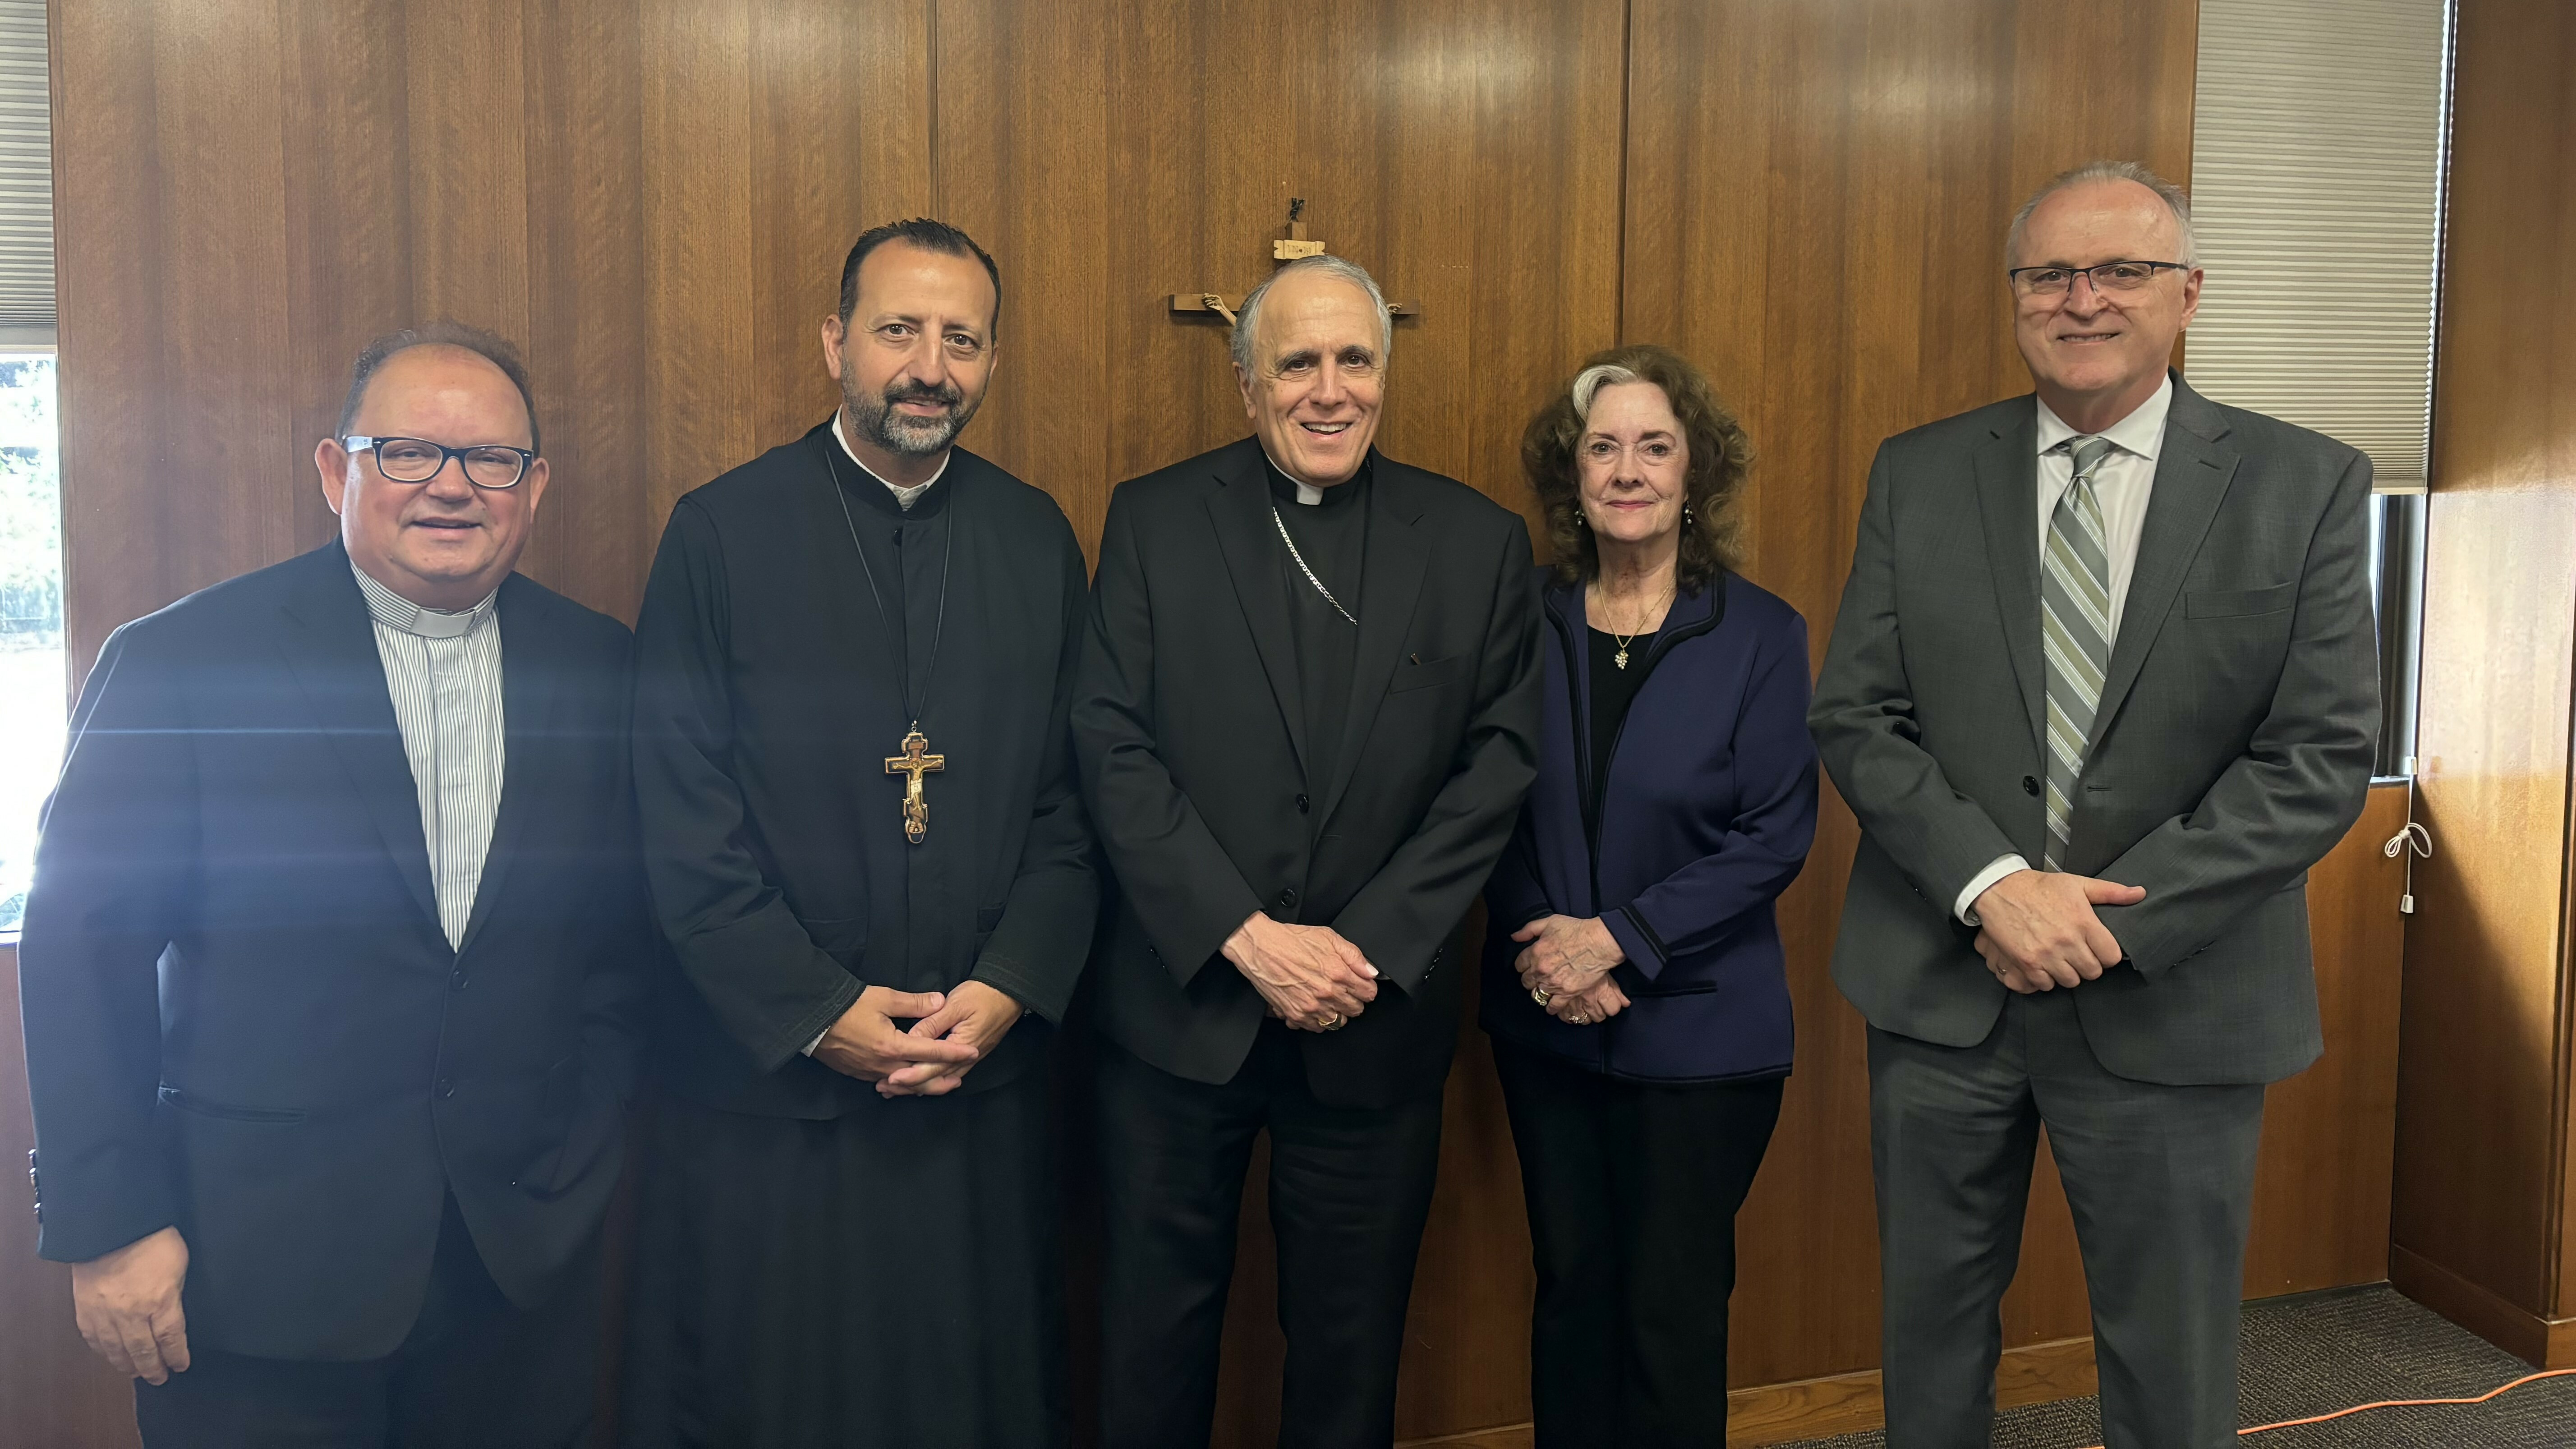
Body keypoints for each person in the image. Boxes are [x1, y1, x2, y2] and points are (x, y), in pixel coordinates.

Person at [1808, 161, 2380, 1448]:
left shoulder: (2308, 485)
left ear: (2190, 294)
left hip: (2174, 994)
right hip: (1945, 984)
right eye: (2050, 273)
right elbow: (1860, 714)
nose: (2082, 300)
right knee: (1931, 1338)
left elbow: (2318, 754)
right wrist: (1993, 884)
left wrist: (2110, 916)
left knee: (2170, 1357)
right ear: (2016, 296)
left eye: (2120, 270)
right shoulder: (1921, 472)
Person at [18, 323, 648, 1447]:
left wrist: (580, 1144)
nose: (451, 487)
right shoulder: (185, 660)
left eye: (491, 460)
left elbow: (617, 942)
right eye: (406, 452)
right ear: (334, 470)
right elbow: (82, 947)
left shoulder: (602, 667)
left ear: (534, 485)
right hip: (249, 1273)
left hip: (512, 1267)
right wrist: (109, 1223)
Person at [624, 217, 1096, 1448]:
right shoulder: (720, 533)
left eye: (962, 338)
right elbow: (682, 820)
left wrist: (1006, 987)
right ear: (837, 342)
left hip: (976, 1080)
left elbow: (1075, 800)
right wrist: (817, 1011)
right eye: (899, 329)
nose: (929, 365)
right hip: (775, 1091)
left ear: (991, 360)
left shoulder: (1035, 537)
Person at [1073, 253, 1543, 1447]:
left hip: (1370, 1019)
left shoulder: (1478, 542)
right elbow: (1110, 741)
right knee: (1149, 1338)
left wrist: (1366, 948)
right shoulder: (1153, 517)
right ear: (1246, 384)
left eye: (1356, 359)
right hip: (1181, 1015)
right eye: (1298, 362)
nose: (1330, 390)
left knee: (1351, 1349)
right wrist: (1244, 934)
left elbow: (1496, 765)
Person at [1482, 345, 1817, 1448]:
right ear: (1570, 473)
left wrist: (1618, 940)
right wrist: (1549, 952)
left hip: (1703, 1037)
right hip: (1546, 1024)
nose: (1628, 470)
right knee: (1571, 1291)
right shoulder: (1517, 619)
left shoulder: (1762, 634)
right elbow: (1482, 796)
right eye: (1604, 446)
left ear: (1695, 472)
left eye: (1655, 446)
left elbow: (1775, 833)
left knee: (1670, 1311)